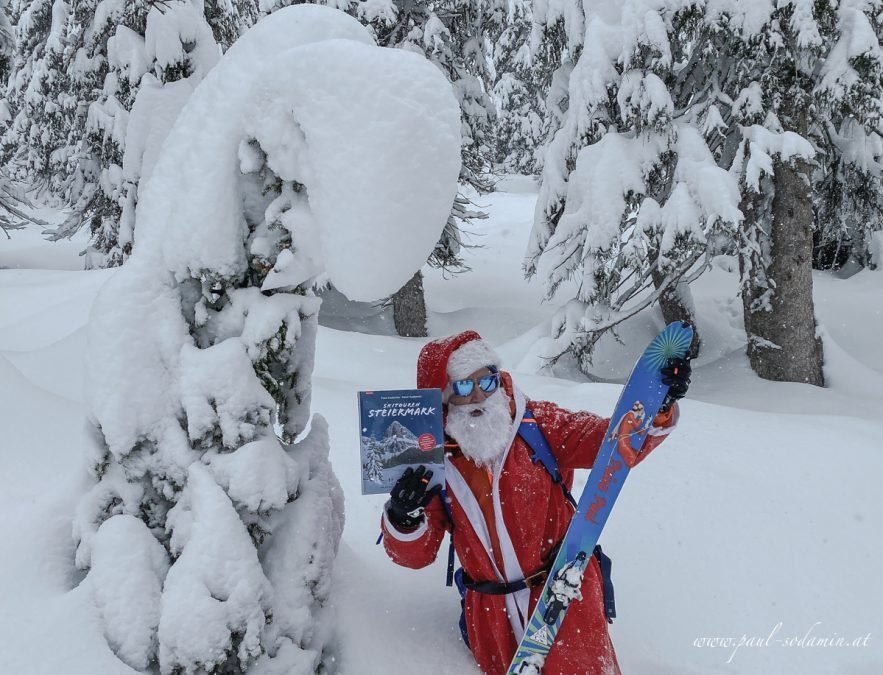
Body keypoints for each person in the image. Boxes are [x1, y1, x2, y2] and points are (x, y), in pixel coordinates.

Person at [380, 330, 690, 675]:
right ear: (442, 396)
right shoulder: (433, 463)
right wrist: (403, 517)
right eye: (465, 387)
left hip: (564, 596)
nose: (481, 394)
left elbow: (610, 445)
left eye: (489, 380)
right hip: (492, 618)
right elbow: (417, 555)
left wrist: (656, 408)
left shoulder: (537, 424)